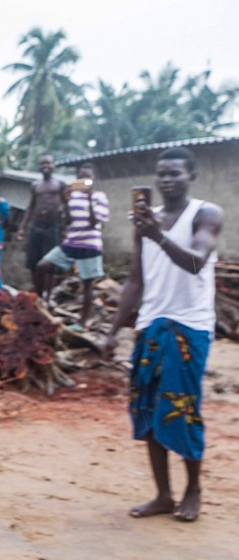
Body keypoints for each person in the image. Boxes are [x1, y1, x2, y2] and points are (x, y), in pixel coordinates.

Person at [102, 147, 222, 523]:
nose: (166, 180)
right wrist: (112, 330)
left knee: (182, 408)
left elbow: (196, 261)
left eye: (174, 173)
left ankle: (193, 490)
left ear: (192, 176)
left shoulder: (205, 214)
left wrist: (157, 234)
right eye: (161, 174)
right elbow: (135, 281)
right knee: (148, 408)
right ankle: (163, 494)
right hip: (151, 325)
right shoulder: (145, 222)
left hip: (190, 326)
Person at [36, 163, 110, 329]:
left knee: (87, 284)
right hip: (71, 242)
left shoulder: (100, 197)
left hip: (90, 244)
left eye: (88, 177)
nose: (84, 180)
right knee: (42, 266)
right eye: (81, 177)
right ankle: (43, 303)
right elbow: (68, 221)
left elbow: (95, 222)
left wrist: (90, 199)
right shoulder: (73, 196)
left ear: (94, 178)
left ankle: (82, 322)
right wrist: (66, 200)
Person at [18, 154, 66, 284]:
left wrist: (65, 227)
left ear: (53, 165)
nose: (45, 166)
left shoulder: (59, 185)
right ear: (39, 166)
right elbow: (31, 206)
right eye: (42, 164)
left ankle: (47, 295)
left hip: (52, 226)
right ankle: (38, 295)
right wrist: (22, 227)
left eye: (48, 163)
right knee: (33, 262)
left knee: (50, 262)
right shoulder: (35, 186)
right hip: (36, 225)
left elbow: (66, 207)